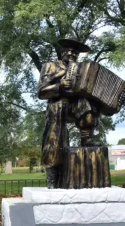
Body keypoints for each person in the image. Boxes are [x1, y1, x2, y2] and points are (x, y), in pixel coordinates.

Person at [38, 38, 102, 188]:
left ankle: (87, 139)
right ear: (62, 52)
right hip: (57, 104)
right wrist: (59, 86)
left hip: (76, 102)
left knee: (88, 111)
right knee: (54, 140)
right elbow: (41, 92)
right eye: (69, 50)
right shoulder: (50, 66)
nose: (72, 53)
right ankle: (52, 178)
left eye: (76, 52)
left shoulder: (82, 69)